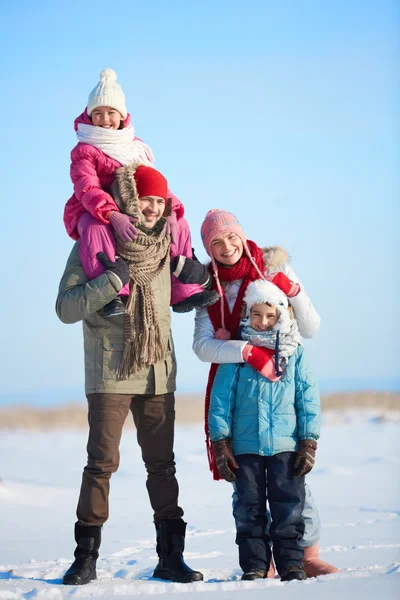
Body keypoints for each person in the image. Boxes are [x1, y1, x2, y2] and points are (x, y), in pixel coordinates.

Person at [56, 164, 203, 586]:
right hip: (111, 371)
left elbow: (188, 292)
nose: (153, 208)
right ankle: (85, 557)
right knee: (101, 464)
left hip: (158, 371)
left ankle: (171, 558)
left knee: (163, 466)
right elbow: (66, 308)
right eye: (145, 199)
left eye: (159, 201)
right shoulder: (94, 240)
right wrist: (111, 280)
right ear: (127, 201)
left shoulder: (167, 249)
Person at [177, 208, 338, 578]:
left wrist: (292, 290)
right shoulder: (208, 286)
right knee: (248, 489)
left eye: (230, 237)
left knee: (292, 485)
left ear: (241, 235)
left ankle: (304, 555)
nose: (226, 246)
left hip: (282, 377)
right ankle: (259, 561)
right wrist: (245, 350)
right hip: (239, 385)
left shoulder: (269, 266)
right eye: (215, 241)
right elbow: (203, 347)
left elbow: (310, 326)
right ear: (208, 247)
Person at [63, 68, 218, 316]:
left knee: (179, 223)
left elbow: (153, 182)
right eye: (98, 113)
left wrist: (170, 210)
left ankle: (184, 289)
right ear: (90, 117)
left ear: (122, 116)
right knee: (95, 228)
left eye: (111, 113)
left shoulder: (133, 147)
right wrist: (113, 215)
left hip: (133, 207)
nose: (105, 119)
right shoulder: (85, 150)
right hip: (92, 208)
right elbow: (87, 187)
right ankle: (112, 292)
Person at [209, 278, 321, 581]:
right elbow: (221, 402)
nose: (263, 321)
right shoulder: (237, 354)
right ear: (248, 314)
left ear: (282, 315)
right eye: (257, 314)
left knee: (289, 508)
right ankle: (255, 565)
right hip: (246, 447)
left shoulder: (295, 354)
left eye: (270, 315)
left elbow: (307, 400)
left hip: (286, 447)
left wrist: (308, 442)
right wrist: (221, 444)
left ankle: (291, 565)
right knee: (248, 509)